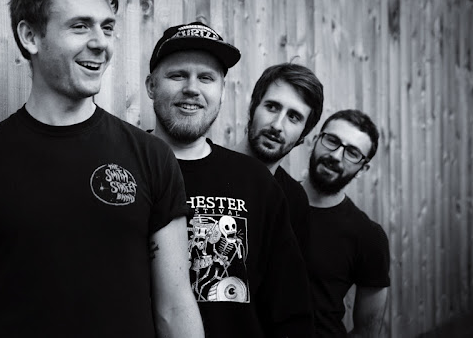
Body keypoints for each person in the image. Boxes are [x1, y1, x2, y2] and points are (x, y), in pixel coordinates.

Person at [0, 0, 204, 338]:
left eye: (107, 27)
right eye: (80, 26)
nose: (100, 43)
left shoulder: (151, 157)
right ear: (30, 37)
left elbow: (175, 307)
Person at [145, 22, 314, 337]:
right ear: (151, 86)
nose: (192, 88)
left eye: (206, 78)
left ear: (222, 92)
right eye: (178, 75)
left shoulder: (257, 182)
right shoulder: (124, 169)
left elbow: (289, 309)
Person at [301, 110, 390, 337]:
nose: (336, 156)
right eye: (332, 141)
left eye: (352, 153)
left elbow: (366, 332)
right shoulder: (273, 199)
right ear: (314, 141)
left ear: (363, 169)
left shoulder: (369, 236)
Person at [234, 63, 324, 258]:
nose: (277, 125)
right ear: (252, 107)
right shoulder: (203, 169)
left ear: (303, 134)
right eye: (272, 107)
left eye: (294, 117)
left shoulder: (294, 200)